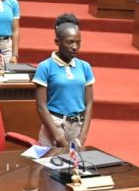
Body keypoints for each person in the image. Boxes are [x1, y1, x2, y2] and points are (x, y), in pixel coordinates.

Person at [33, 13, 95, 149]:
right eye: (70, 42)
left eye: (78, 42)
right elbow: (41, 107)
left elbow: (89, 103)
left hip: (77, 127)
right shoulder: (45, 67)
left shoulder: (85, 66)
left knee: (74, 169)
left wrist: (82, 136)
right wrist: (58, 137)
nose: (75, 47)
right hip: (54, 126)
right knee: (49, 169)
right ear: (57, 42)